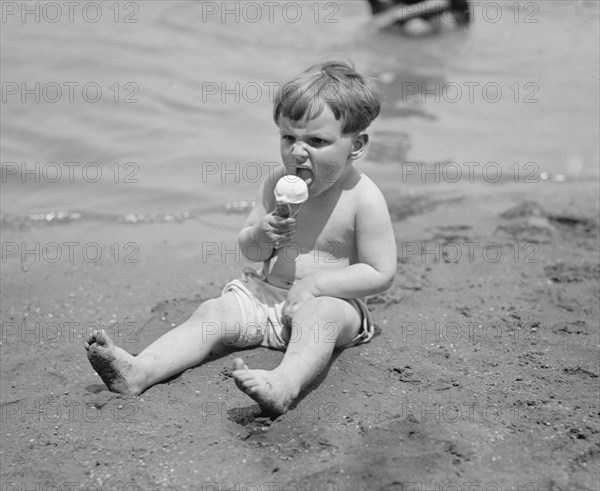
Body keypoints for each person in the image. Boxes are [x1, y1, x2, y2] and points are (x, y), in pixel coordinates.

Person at [84, 61, 397, 415]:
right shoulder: (275, 183)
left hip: (332, 305)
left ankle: (285, 383)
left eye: (316, 141)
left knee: (321, 318)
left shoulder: (362, 197)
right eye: (288, 137)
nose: (297, 152)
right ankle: (140, 370)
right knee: (213, 312)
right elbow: (251, 250)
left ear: (356, 145)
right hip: (265, 297)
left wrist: (316, 287)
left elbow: (379, 272)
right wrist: (263, 232)